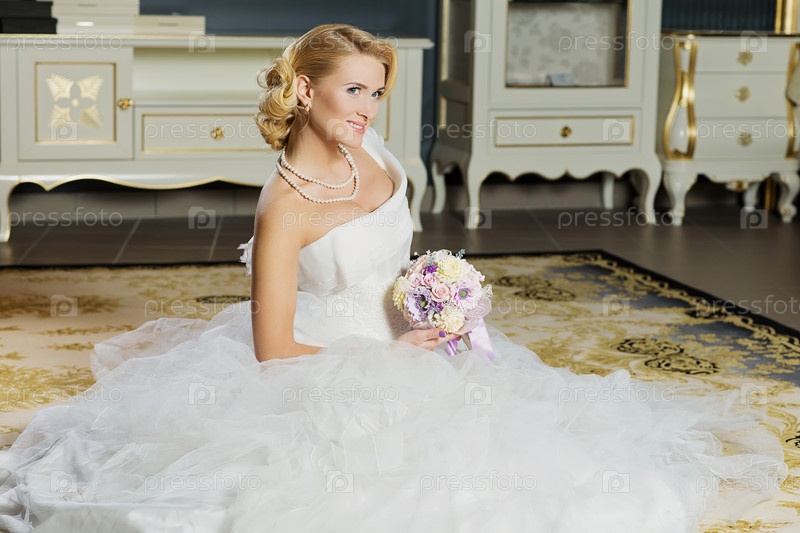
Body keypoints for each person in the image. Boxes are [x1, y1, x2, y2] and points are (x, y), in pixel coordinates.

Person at [0, 24, 787, 533]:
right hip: (335, 363)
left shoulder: (371, 152)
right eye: (354, 91)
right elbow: (274, 352)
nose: (369, 109)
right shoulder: (283, 210)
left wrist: (437, 291)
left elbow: (394, 251)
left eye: (376, 93)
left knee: (565, 458)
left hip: (420, 337)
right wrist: (389, 355)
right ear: (304, 89)